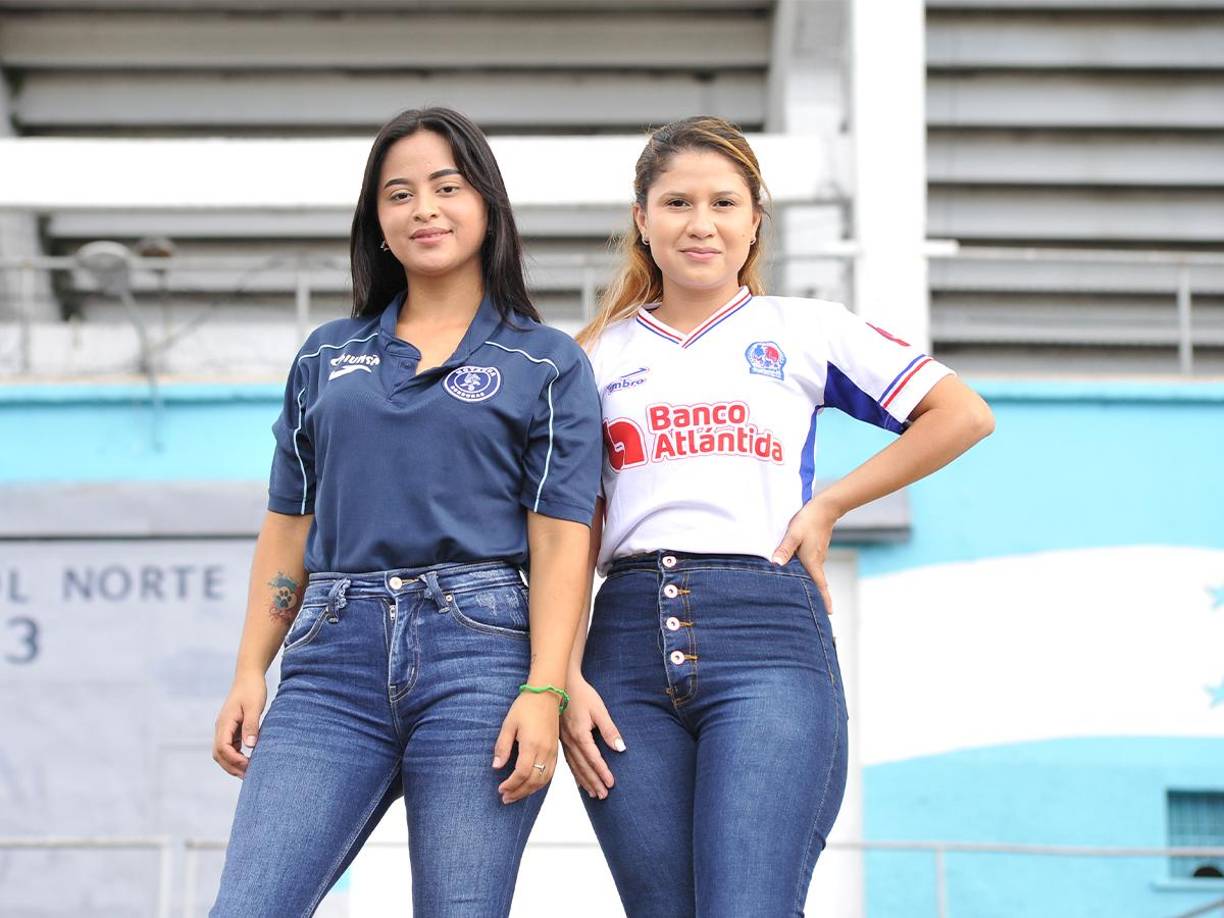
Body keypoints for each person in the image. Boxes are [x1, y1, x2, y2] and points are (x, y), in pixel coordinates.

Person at [561, 116, 995, 917]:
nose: (702, 224)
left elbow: (961, 413)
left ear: (756, 218)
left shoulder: (806, 328)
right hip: (621, 648)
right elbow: (576, 524)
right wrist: (564, 670)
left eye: (724, 202)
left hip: (765, 633)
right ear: (642, 218)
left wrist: (829, 503)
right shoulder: (591, 357)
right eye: (678, 202)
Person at [209, 106, 601, 917]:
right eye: (399, 194)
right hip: (328, 666)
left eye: (446, 187)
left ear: (486, 205)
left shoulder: (547, 362)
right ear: (377, 223)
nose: (423, 208)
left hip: (481, 660)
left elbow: (562, 545)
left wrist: (546, 689)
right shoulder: (325, 354)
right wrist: (251, 667)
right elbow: (289, 527)